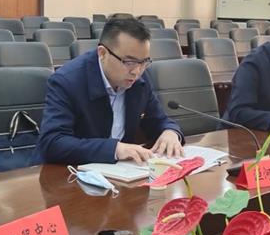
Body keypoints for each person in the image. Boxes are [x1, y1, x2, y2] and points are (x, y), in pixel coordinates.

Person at [36, 18, 184, 165]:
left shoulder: (140, 79)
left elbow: (159, 120)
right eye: (129, 62)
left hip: (125, 170)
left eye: (144, 62)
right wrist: (114, 149)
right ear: (102, 53)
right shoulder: (67, 81)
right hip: (76, 171)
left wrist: (170, 132)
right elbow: (52, 143)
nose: (137, 71)